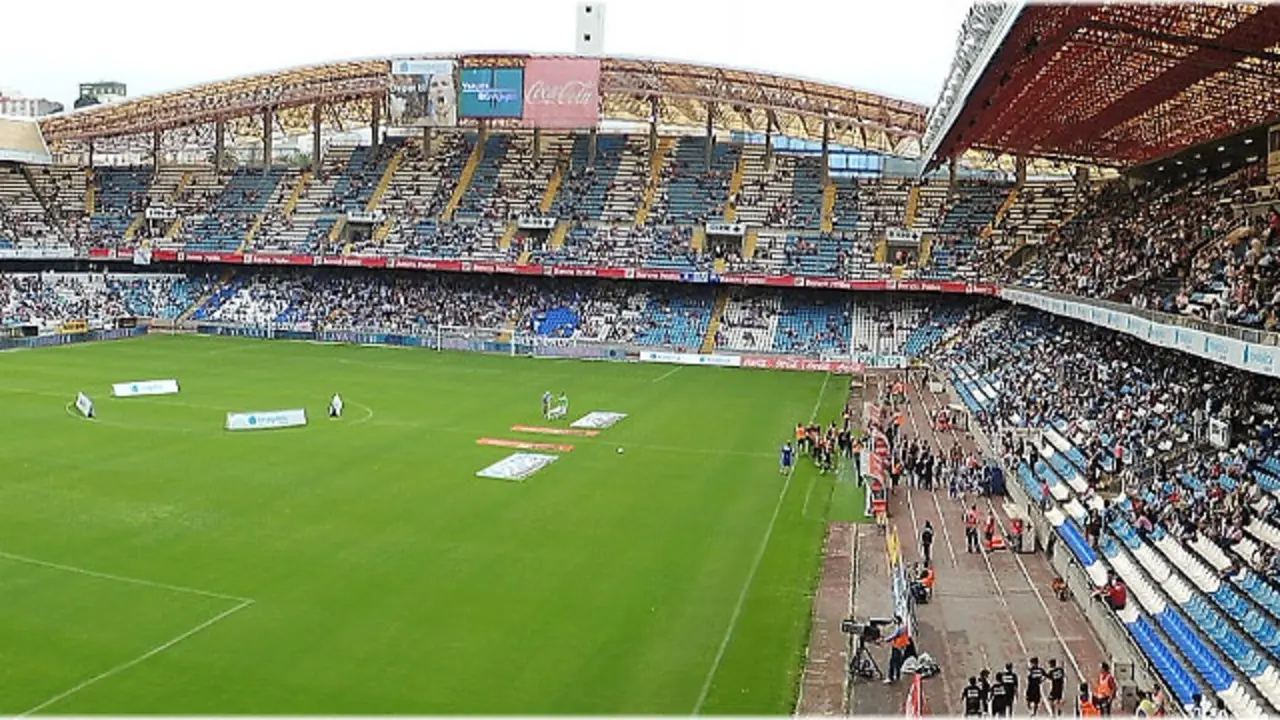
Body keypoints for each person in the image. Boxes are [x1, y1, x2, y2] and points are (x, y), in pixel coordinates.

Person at [881, 614, 911, 684]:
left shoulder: (900, 628)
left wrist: (885, 640)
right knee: (897, 663)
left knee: (892, 662)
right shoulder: (903, 626)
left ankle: (890, 677)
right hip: (901, 647)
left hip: (897, 647)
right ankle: (897, 676)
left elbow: (894, 635)